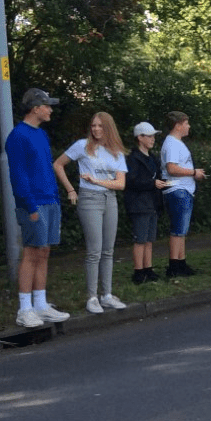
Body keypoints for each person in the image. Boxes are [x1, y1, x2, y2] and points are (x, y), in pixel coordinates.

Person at [6, 88, 71, 328]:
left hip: (50, 201)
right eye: (47, 106)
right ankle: (24, 309)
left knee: (44, 252)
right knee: (32, 253)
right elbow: (19, 176)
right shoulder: (18, 136)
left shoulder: (41, 135)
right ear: (36, 108)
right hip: (33, 203)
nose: (51, 109)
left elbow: (45, 169)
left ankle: (41, 305)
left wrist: (55, 199)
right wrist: (29, 205)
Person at [54, 112, 129, 314]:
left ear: (108, 128)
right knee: (94, 251)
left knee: (108, 250)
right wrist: (71, 189)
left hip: (110, 199)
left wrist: (97, 181)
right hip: (89, 199)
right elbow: (58, 164)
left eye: (100, 126)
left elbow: (120, 184)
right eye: (93, 125)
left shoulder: (116, 151)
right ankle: (92, 297)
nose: (96, 129)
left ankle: (107, 295)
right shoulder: (82, 146)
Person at [160, 111, 207, 277]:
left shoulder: (176, 143)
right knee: (178, 230)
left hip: (183, 190)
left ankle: (181, 263)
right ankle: (174, 266)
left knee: (182, 230)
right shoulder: (172, 143)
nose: (188, 126)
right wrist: (193, 172)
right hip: (178, 190)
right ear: (178, 125)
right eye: (186, 123)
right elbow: (171, 168)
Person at [124, 122, 169, 284]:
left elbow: (157, 177)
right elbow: (131, 181)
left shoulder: (153, 158)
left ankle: (148, 269)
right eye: (149, 136)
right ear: (140, 138)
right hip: (139, 204)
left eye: (153, 136)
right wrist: (152, 184)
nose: (153, 139)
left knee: (149, 239)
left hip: (152, 203)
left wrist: (163, 183)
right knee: (140, 239)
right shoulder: (133, 159)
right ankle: (138, 271)